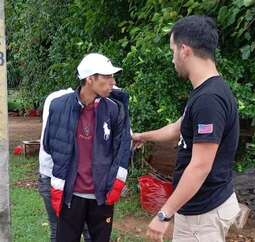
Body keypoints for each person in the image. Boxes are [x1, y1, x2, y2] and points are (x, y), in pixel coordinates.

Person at [132, 15, 240, 242]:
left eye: (172, 51)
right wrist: (142, 136)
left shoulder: (209, 99)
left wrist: (163, 214)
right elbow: (177, 128)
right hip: (199, 209)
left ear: (184, 50)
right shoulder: (205, 91)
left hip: (203, 213)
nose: (172, 59)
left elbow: (200, 166)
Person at [43, 53, 131, 242]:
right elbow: (49, 145)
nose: (113, 82)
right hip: (71, 195)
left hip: (102, 195)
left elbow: (121, 149)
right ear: (90, 79)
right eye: (107, 77)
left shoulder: (114, 109)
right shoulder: (59, 106)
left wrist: (113, 183)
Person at [38, 88, 92, 242]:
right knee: (89, 230)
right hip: (66, 177)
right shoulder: (65, 102)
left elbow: (47, 143)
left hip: (48, 173)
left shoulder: (53, 97)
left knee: (58, 229)